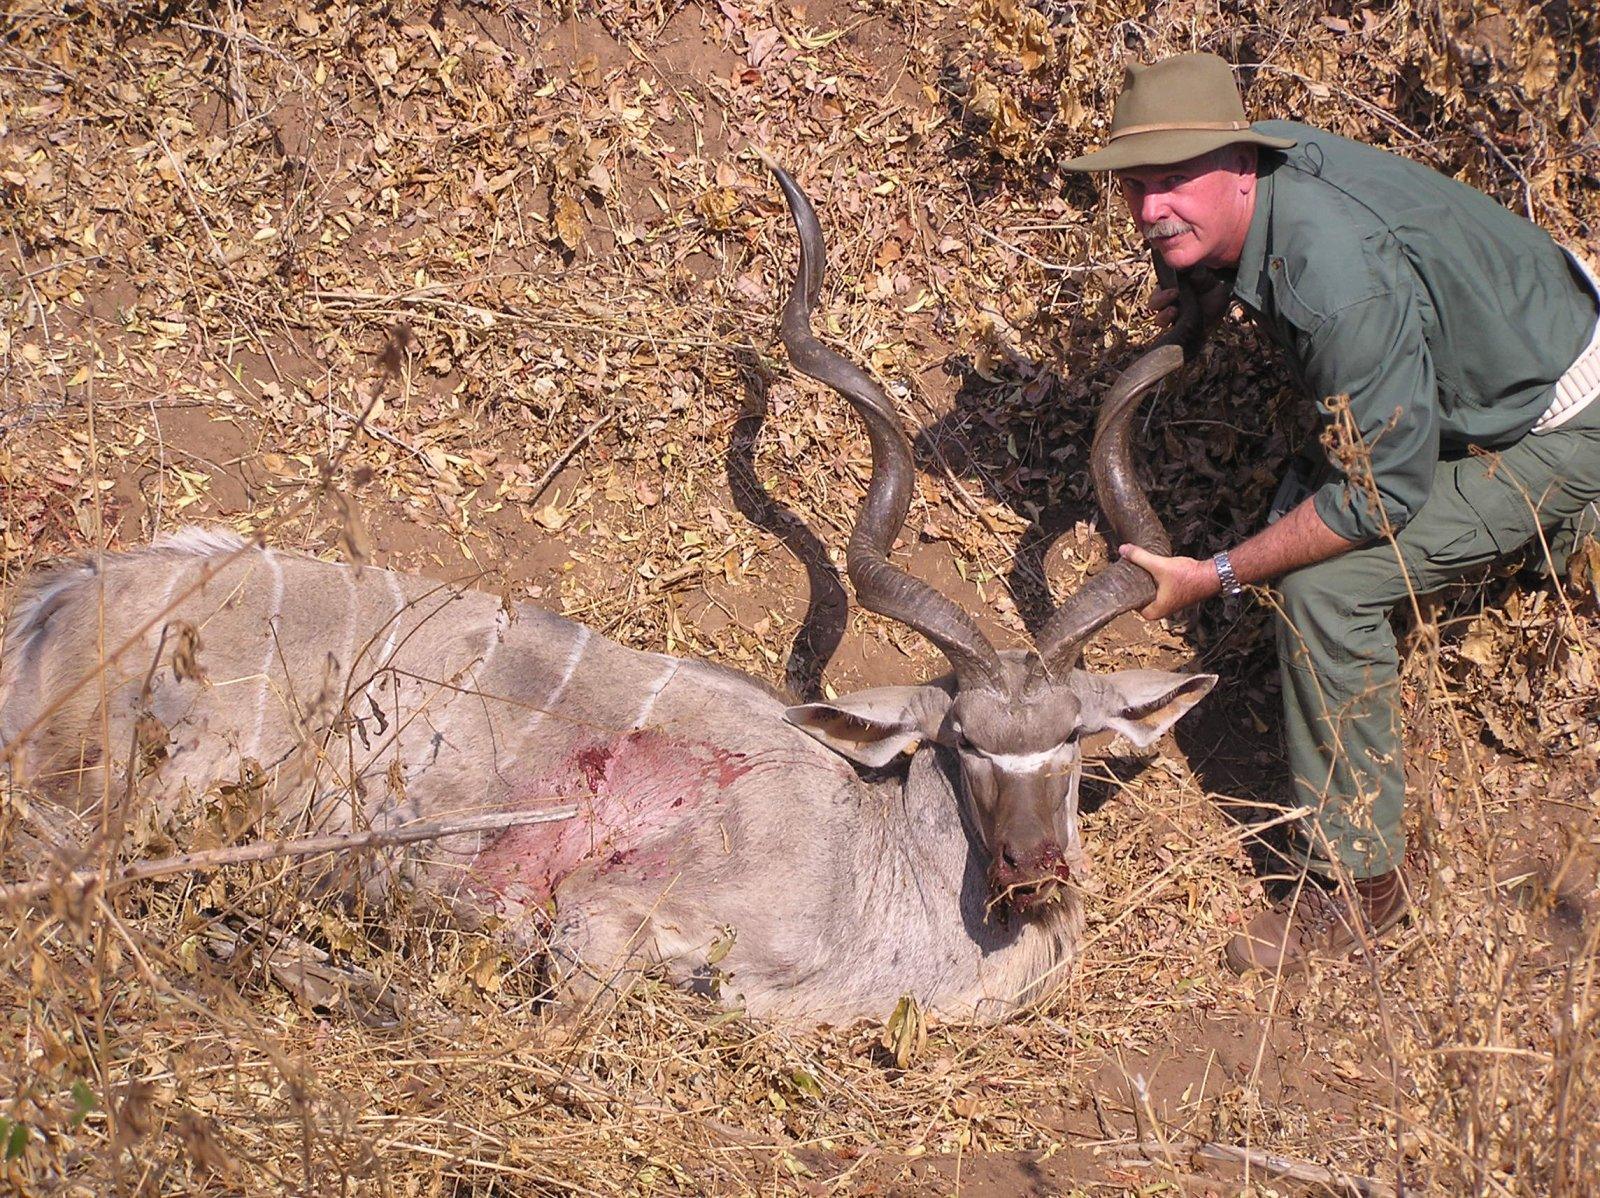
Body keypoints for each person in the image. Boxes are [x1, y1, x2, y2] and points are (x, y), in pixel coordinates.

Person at [1061, 53, 1600, 974]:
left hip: (1563, 426)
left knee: (1323, 588)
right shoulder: (1274, 176)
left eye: (1175, 181)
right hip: (1524, 336)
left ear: (1240, 164)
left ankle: (1361, 889)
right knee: (1303, 504)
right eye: (1137, 186)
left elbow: (1383, 497)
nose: (1151, 210)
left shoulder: (1334, 272)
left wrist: (1216, 574)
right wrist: (1198, 289)